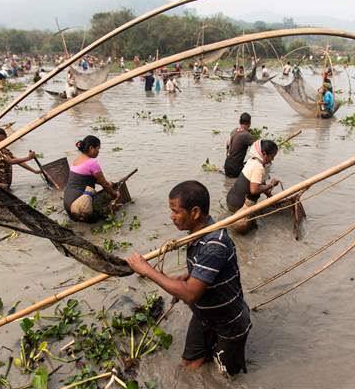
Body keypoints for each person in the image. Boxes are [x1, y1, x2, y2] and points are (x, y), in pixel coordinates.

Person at [126, 180, 251, 376]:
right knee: (188, 367)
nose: (172, 216)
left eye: (176, 211)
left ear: (194, 212)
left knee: (225, 376)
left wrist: (148, 270)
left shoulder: (214, 244)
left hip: (229, 323)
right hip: (204, 316)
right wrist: (185, 277)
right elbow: (204, 273)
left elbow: (191, 294)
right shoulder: (197, 234)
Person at [63, 136, 119, 222]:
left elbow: (87, 179)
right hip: (80, 207)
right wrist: (115, 195)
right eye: (97, 149)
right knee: (106, 214)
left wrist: (108, 184)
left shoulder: (76, 160)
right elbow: (105, 185)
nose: (98, 152)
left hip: (68, 205)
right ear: (91, 148)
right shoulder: (92, 163)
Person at [227, 140, 280, 213]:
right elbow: (254, 190)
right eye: (272, 156)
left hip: (231, 200)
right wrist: (271, 185)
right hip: (238, 206)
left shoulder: (253, 160)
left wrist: (270, 196)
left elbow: (261, 184)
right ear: (264, 154)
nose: (272, 159)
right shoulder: (258, 167)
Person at [224, 113, 256, 178]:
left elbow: (227, 147)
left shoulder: (234, 131)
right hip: (235, 170)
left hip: (226, 166)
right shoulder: (247, 135)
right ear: (249, 123)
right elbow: (258, 148)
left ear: (239, 122)